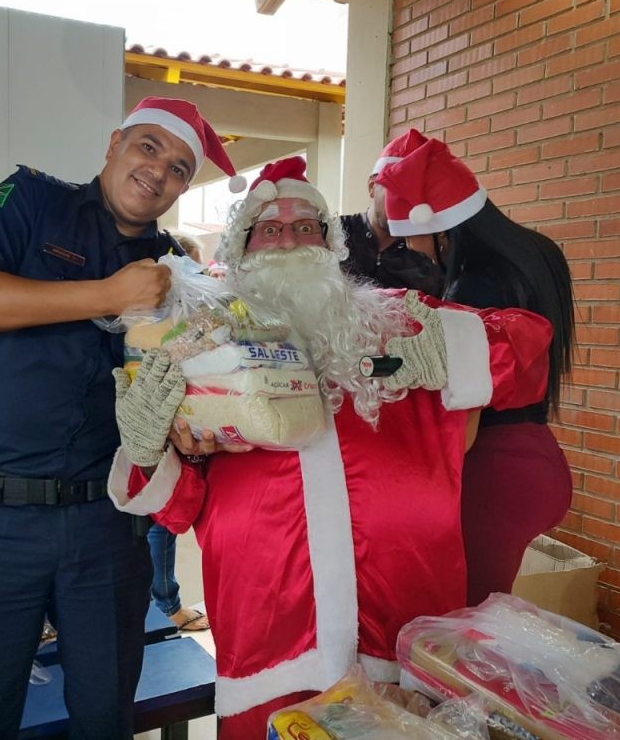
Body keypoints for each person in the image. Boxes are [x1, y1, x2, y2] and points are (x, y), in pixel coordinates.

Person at [106, 156, 554, 739]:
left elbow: (526, 345)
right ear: (242, 252)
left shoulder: (397, 321)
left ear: (333, 246)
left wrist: (447, 353)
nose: (289, 238)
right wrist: (149, 451)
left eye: (306, 226)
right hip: (270, 622)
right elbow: (177, 505)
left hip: (401, 613)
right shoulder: (201, 353)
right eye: (269, 228)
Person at [0, 96, 242, 740]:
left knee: (105, 720)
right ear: (114, 143)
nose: (159, 171)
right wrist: (106, 295)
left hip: (108, 526)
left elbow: (182, 388)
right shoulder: (30, 200)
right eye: (149, 147)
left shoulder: (176, 271)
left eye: (180, 167)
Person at [375, 135, 575, 607]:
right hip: (536, 457)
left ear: (442, 228)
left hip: (495, 471)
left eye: (413, 239)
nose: (415, 251)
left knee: (464, 626)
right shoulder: (538, 251)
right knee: (482, 615)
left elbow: (466, 408)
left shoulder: (475, 287)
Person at [147, 231, 211, 632]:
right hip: (165, 428)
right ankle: (167, 604)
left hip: (160, 426)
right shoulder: (173, 319)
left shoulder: (142, 319)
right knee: (162, 523)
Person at [338, 129, 445, 296]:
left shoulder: (428, 254)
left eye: (416, 196)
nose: (402, 206)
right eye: (395, 193)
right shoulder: (333, 233)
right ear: (372, 187)